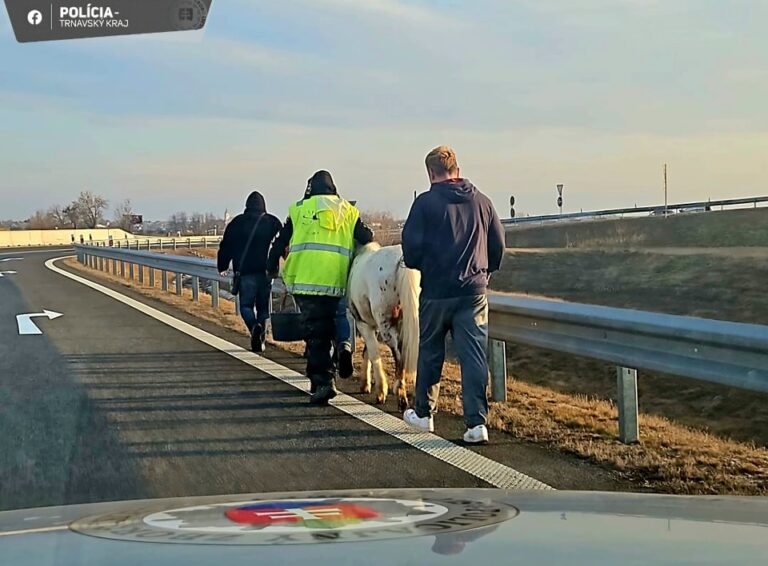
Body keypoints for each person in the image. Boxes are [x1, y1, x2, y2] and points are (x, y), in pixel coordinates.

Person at [401, 145, 505, 444]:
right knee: (473, 355)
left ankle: (424, 414)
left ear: (431, 173)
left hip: (435, 291)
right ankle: (476, 424)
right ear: (457, 169)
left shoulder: (424, 205)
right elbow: (498, 245)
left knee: (431, 351)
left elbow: (411, 249)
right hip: (473, 292)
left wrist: (423, 266)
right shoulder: (482, 202)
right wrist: (484, 275)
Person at [267, 171, 373, 405]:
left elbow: (279, 242)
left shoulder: (299, 209)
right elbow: (367, 236)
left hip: (306, 282)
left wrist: (272, 267)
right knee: (333, 324)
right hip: (336, 280)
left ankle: (324, 381)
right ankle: (339, 352)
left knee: (316, 334)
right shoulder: (347, 210)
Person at [218, 191, 282, 353]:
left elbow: (226, 246)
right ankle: (261, 338)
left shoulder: (236, 223)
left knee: (246, 305)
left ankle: (254, 327)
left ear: (247, 206)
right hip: (266, 272)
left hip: (245, 271)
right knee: (263, 307)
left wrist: (222, 265)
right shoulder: (272, 222)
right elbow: (282, 244)